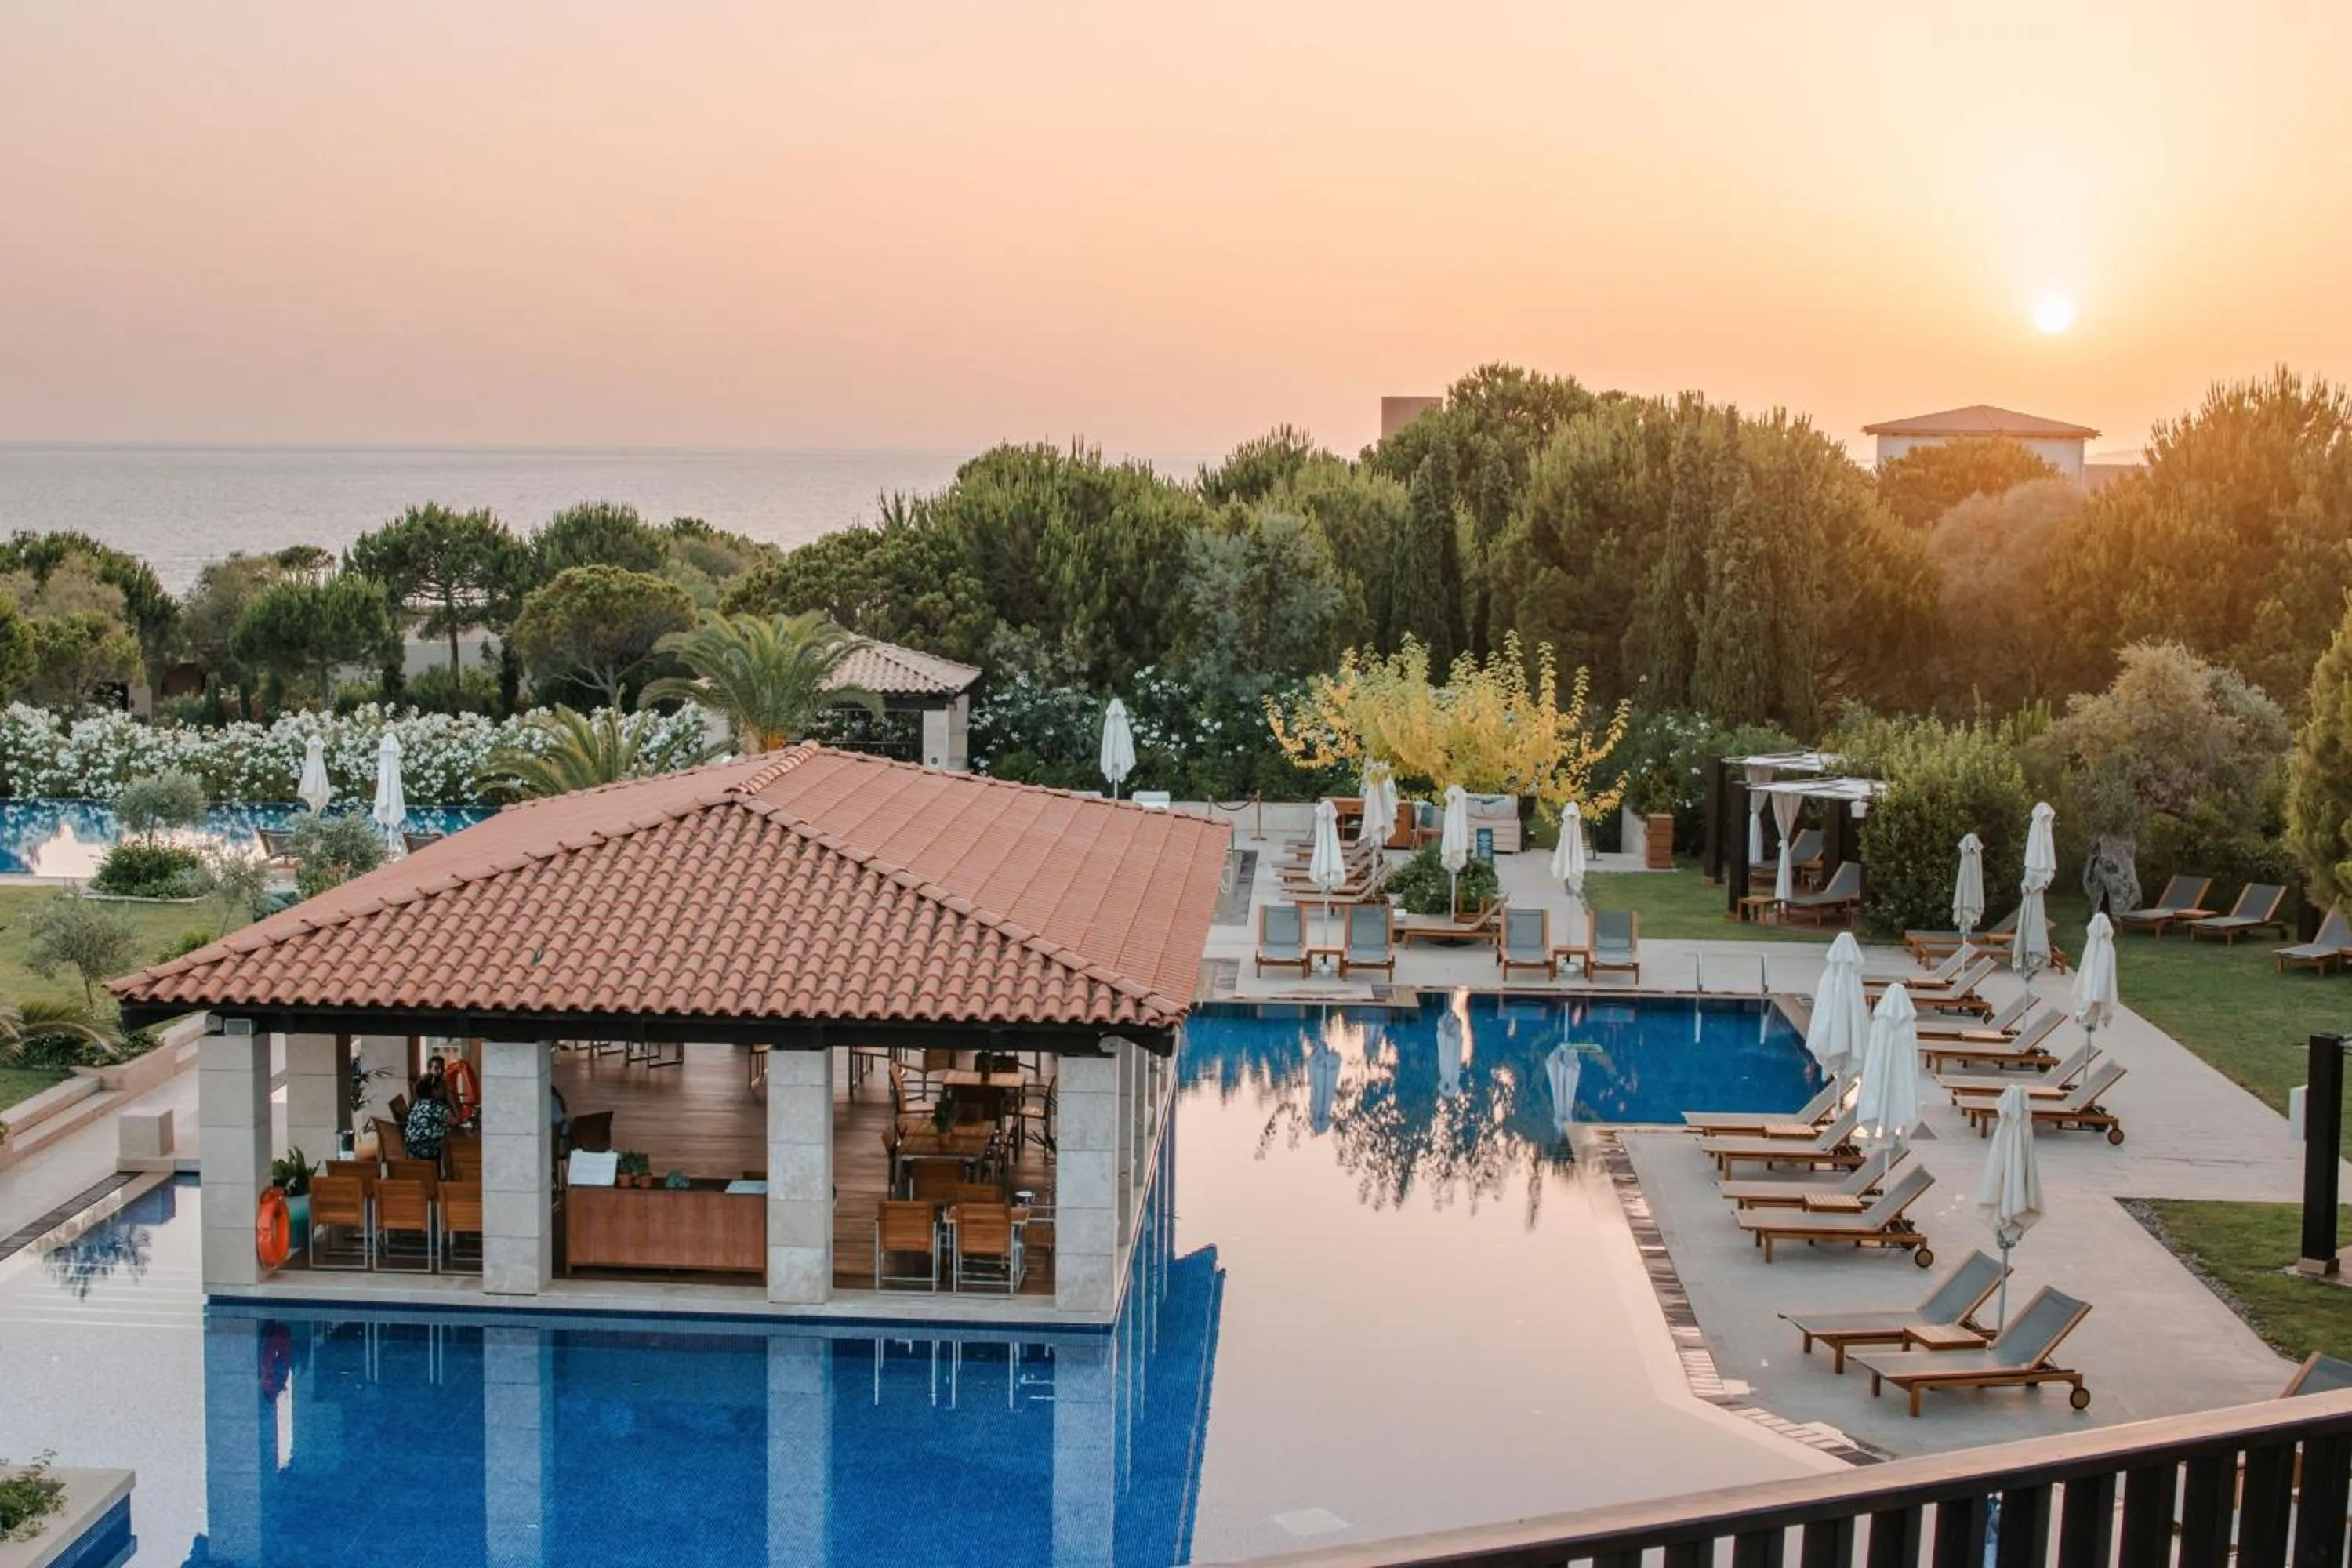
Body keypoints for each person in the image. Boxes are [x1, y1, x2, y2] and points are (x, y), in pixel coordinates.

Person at [403, 1076, 452, 1163]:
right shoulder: (436, 1106)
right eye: (443, 1088)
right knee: (454, 1146)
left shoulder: (419, 1103)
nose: (446, 1091)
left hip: (413, 1148)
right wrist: (451, 1100)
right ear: (434, 1090)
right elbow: (456, 1120)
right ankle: (450, 1173)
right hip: (428, 1148)